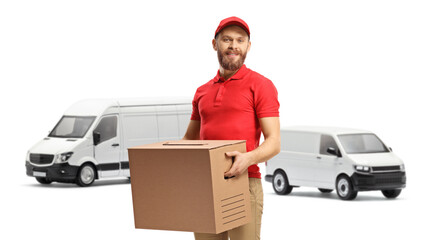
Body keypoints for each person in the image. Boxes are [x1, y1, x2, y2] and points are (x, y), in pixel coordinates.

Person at [183, 16, 280, 240]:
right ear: (215, 44)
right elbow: (190, 139)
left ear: (248, 46)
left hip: (243, 182)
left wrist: (246, 159)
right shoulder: (202, 91)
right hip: (205, 184)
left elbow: (274, 142)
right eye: (227, 40)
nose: (233, 46)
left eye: (240, 40)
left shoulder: (261, 85)